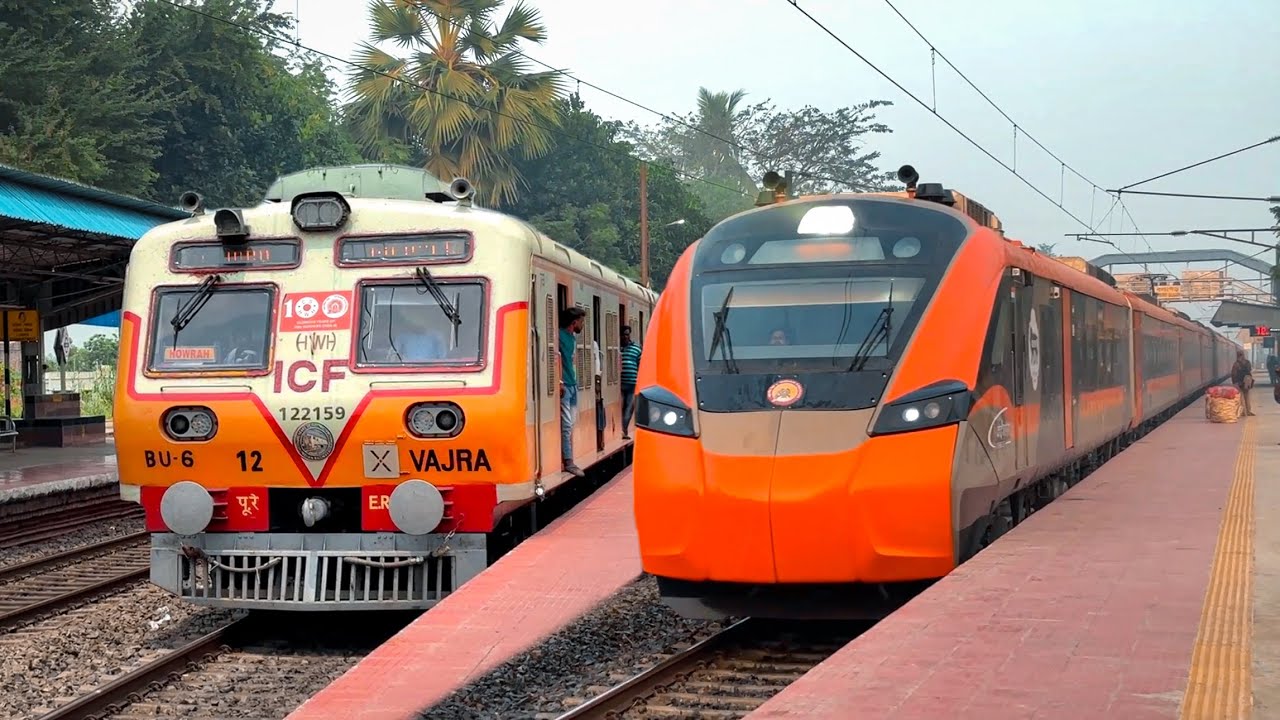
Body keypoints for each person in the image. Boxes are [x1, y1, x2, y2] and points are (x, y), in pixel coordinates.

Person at [559, 307, 587, 478]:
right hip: (565, 384)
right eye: (581, 321)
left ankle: (569, 457)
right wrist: (559, 381)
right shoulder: (559, 336)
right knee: (567, 423)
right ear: (574, 322)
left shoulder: (571, 338)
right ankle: (568, 461)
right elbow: (555, 357)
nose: (582, 325)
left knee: (571, 422)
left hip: (573, 383)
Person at [620, 325, 642, 439]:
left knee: (629, 406)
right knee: (621, 406)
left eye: (627, 334)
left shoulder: (637, 349)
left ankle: (624, 429)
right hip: (620, 383)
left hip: (632, 383)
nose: (625, 336)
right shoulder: (618, 349)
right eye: (623, 334)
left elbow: (641, 366)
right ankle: (622, 429)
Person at [1232, 349, 1255, 417]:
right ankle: (1248, 411)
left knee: (1241, 397)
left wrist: (1234, 383)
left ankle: (1243, 412)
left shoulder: (1236, 364)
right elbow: (1250, 370)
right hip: (1247, 381)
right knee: (1247, 396)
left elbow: (1233, 374)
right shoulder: (1248, 362)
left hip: (1239, 382)